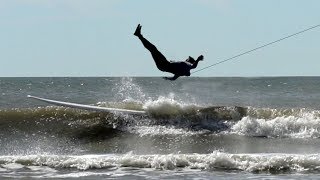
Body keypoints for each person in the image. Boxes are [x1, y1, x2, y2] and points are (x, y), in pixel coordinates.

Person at [134, 24, 204, 80]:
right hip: (162, 67)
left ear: (190, 61)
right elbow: (173, 78)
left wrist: (198, 59)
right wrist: (168, 78)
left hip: (164, 65)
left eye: (188, 59)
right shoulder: (184, 69)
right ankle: (139, 35)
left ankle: (139, 35)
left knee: (153, 49)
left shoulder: (188, 66)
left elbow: (194, 66)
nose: (186, 59)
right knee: (152, 50)